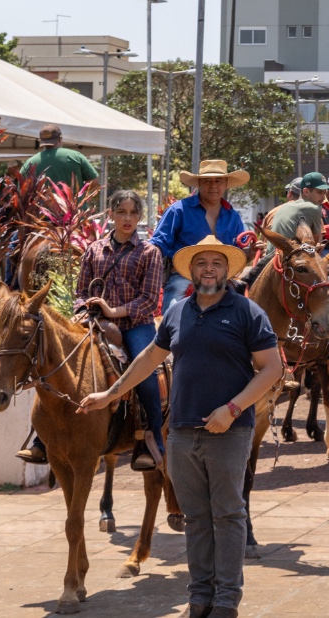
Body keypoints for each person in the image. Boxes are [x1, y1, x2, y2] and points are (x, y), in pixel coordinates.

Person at [79, 235, 282, 618]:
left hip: (229, 430)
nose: (209, 268)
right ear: (191, 269)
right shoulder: (177, 312)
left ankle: (226, 599)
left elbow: (273, 369)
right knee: (196, 518)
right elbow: (148, 358)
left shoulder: (247, 312)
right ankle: (200, 595)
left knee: (228, 514)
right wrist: (111, 393)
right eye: (201, 262)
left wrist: (234, 409)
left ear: (228, 270)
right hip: (183, 431)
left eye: (217, 263)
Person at [39, 190, 166, 471]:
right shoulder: (94, 249)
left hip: (135, 325)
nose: (128, 218)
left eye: (134, 213)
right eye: (122, 212)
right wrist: (85, 308)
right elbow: (80, 291)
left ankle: (152, 439)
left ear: (140, 217)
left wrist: (113, 311)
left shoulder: (150, 252)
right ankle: (40, 436)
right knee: (55, 362)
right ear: (111, 214)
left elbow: (148, 300)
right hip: (95, 321)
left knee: (145, 376)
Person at [152, 159, 249, 309]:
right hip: (183, 275)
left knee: (243, 310)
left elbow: (238, 251)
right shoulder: (179, 210)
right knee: (173, 311)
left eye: (218, 181)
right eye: (207, 181)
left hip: (220, 278)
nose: (213, 185)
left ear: (225, 184)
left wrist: (252, 250)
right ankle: (170, 328)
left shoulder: (233, 216)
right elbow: (159, 243)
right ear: (199, 184)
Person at [20, 123, 99, 191]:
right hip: (73, 208)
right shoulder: (76, 156)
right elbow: (94, 182)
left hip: (42, 208)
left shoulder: (29, 163)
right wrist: (78, 195)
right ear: (60, 139)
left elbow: (21, 189)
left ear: (41, 141)